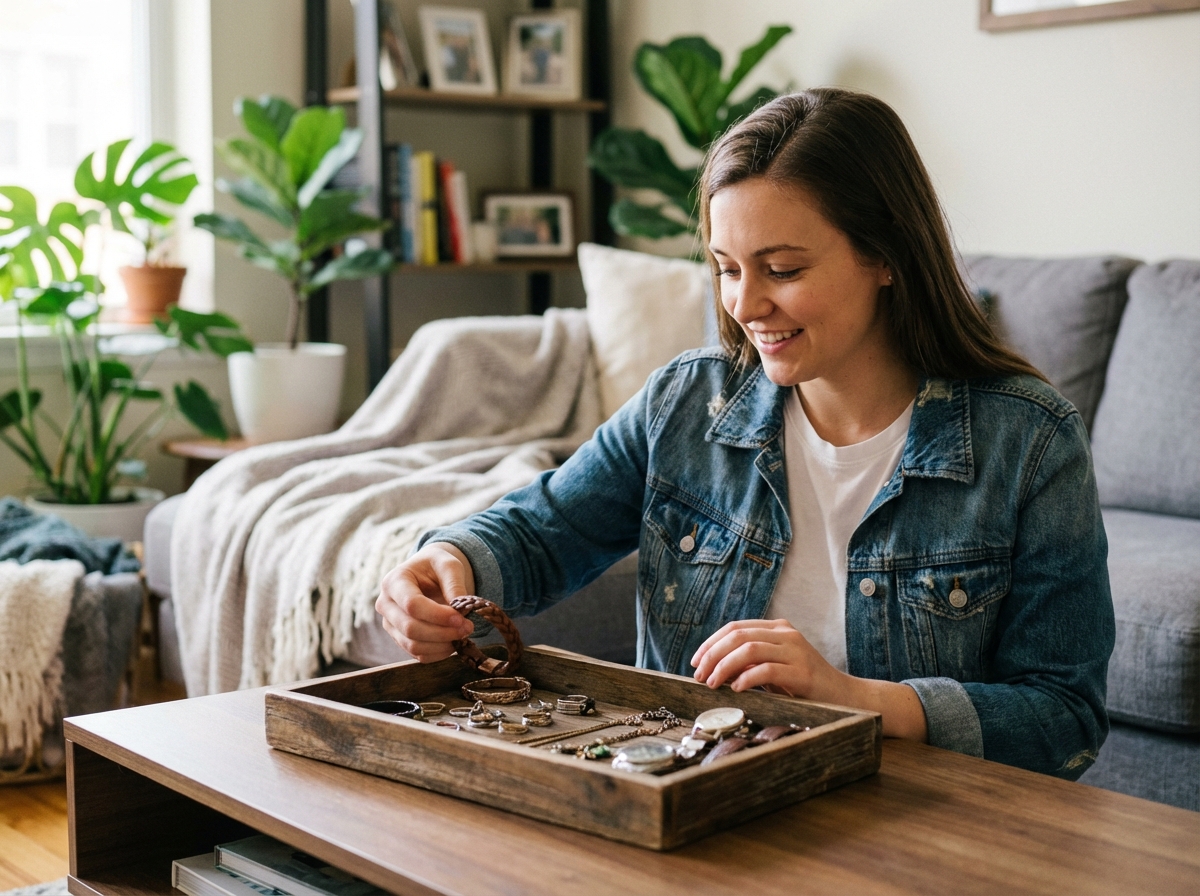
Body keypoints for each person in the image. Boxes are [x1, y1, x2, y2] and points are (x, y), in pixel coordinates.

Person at [375, 88, 1115, 779]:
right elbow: (545, 530)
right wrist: (449, 564)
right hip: (687, 804)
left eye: (783, 269)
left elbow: (1064, 717)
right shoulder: (688, 400)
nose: (747, 303)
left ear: (886, 256)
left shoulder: (1030, 442)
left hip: (906, 825)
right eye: (727, 269)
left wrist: (853, 697)